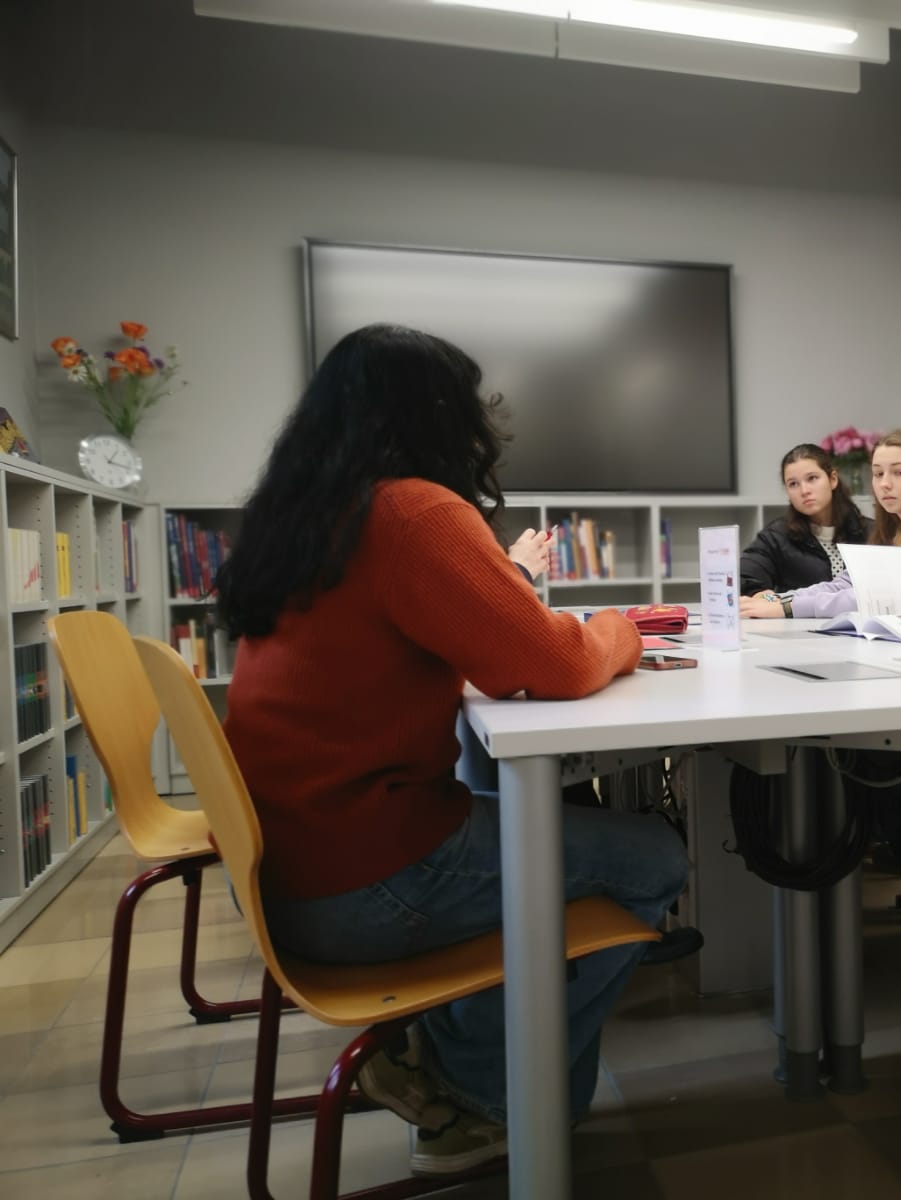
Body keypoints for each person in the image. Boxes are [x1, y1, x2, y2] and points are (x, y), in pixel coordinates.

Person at [215, 324, 687, 1177]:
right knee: (651, 858)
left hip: (295, 866)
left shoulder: (309, 514)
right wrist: (623, 628)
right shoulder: (414, 510)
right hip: (365, 882)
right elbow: (555, 665)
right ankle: (480, 1095)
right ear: (438, 414)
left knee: (519, 817)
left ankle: (447, 1053)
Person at [739, 426, 901, 620]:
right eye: (878, 473)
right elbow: (851, 582)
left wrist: (787, 608)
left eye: (899, 472)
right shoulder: (896, 523)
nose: (885, 484)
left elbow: (893, 596)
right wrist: (780, 600)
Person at [740, 442, 870, 599]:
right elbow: (744, 578)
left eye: (812, 478)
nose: (804, 491)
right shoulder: (776, 537)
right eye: (793, 484)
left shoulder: (872, 532)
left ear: (833, 479)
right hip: (798, 615)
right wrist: (762, 596)